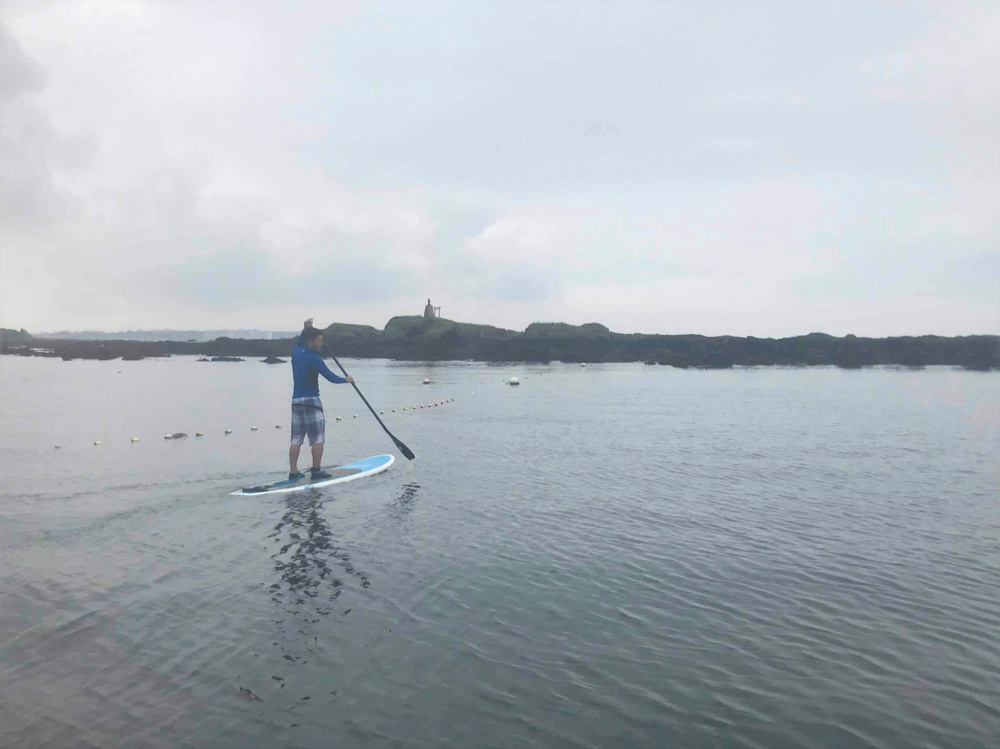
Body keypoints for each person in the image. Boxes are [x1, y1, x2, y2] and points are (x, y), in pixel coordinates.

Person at [289, 319, 354, 481]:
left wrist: (305, 329)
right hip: (312, 401)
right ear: (311, 342)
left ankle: (293, 472)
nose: (321, 344)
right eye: (319, 341)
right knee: (317, 438)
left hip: (296, 401)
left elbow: (300, 340)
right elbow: (330, 377)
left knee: (296, 439)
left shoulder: (296, 353)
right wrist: (346, 380)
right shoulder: (315, 360)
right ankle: (316, 471)